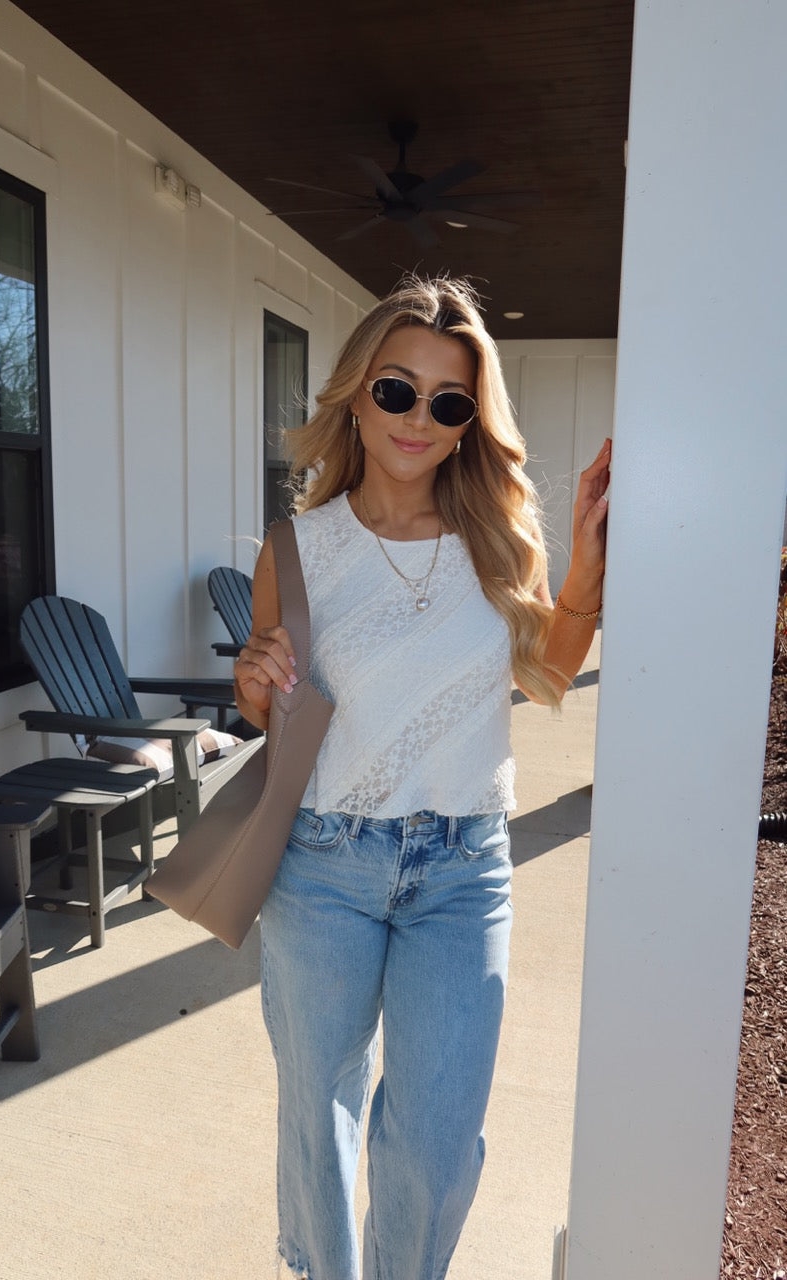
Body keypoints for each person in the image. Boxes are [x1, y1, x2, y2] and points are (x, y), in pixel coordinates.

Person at [234, 275, 609, 1280]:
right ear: (355, 392)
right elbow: (274, 708)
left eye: (449, 401)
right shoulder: (296, 549)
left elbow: (547, 674)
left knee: (437, 1145)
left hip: (461, 870)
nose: (418, 417)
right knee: (319, 1113)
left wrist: (579, 569)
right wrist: (253, 678)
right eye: (397, 389)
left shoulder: (496, 538)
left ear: (467, 423)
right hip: (323, 863)